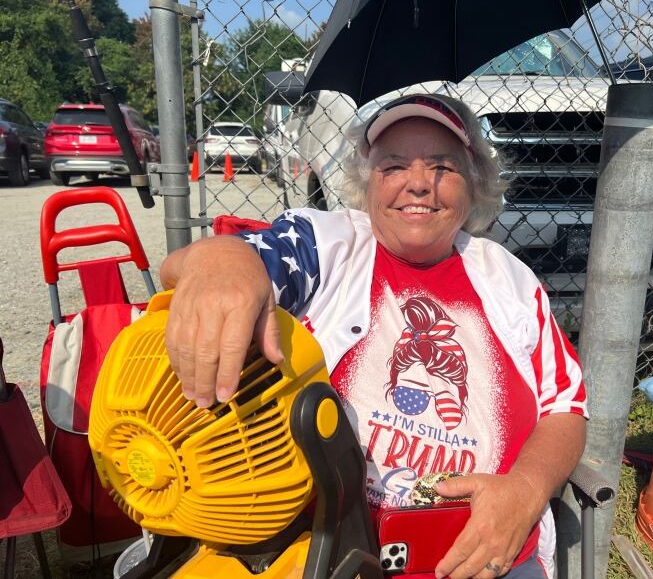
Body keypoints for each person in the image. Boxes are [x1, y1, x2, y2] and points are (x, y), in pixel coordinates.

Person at [161, 93, 587, 579]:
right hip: (333, 552)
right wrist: (223, 260)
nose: (420, 184)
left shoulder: (510, 281)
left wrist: (526, 492)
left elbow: (566, 408)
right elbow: (203, 265)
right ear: (367, 184)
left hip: (491, 554)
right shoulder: (328, 245)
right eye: (393, 166)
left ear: (474, 184)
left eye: (443, 167)